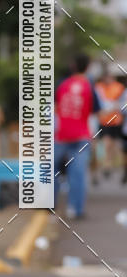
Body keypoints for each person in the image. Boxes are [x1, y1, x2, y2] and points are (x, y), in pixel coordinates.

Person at [54, 53, 96, 218]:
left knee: (52, 170)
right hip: (81, 136)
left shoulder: (62, 84)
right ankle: (76, 209)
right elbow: (95, 111)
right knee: (77, 173)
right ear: (88, 67)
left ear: (73, 66)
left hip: (61, 135)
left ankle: (49, 205)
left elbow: (54, 108)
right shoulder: (89, 86)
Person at [93, 68, 124, 181]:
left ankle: (111, 163)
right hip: (103, 121)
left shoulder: (119, 87)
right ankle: (106, 165)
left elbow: (122, 103)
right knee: (105, 142)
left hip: (116, 120)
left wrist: (115, 106)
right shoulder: (98, 87)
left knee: (113, 144)